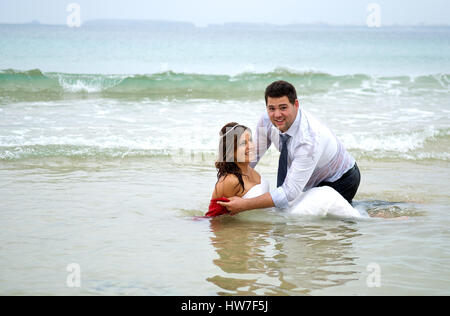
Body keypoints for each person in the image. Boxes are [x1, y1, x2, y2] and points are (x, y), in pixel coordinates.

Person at [217, 80, 361, 215]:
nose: (277, 115)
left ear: (296, 104)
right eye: (271, 108)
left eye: (283, 108)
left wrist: (244, 204)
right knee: (291, 209)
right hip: (309, 176)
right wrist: (227, 182)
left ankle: (374, 212)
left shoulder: (309, 140)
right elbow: (253, 156)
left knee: (314, 218)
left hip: (340, 179)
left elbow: (289, 192)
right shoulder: (266, 120)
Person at [206, 122, 365, 219]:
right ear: (230, 152)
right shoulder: (229, 181)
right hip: (279, 220)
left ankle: (362, 215)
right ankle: (365, 221)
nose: (251, 146)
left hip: (279, 211)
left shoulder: (249, 169)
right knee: (326, 197)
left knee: (325, 193)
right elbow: (212, 215)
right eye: (243, 144)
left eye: (251, 140)